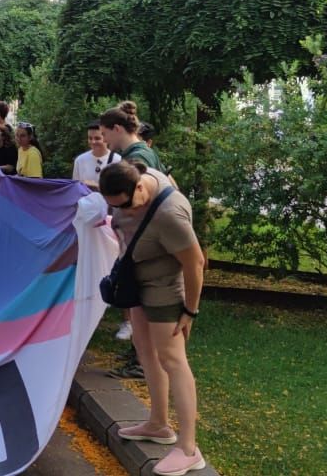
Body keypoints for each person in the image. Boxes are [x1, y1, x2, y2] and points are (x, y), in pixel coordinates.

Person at [99, 161, 207, 476]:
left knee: (173, 360)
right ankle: (159, 424)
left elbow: (196, 263)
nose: (123, 212)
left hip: (164, 288)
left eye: (126, 205)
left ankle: (188, 449)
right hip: (136, 282)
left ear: (140, 188)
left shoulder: (168, 214)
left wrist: (189, 310)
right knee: (144, 349)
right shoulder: (130, 183)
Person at [101, 101, 168, 174]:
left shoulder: (136, 159)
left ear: (117, 129)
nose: (104, 140)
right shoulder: (147, 152)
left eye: (104, 134)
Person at [74, 121, 121, 189]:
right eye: (90, 138)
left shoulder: (118, 160)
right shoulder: (80, 160)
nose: (93, 142)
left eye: (97, 138)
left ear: (106, 138)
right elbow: (75, 187)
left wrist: (96, 186)